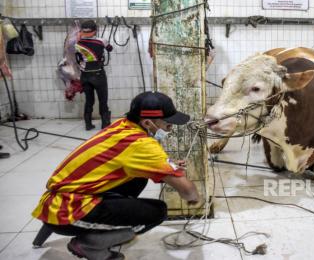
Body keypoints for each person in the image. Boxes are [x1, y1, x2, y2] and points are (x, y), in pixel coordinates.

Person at [31, 91, 200, 260]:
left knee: (139, 177)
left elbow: (130, 160)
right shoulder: (142, 145)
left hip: (59, 199)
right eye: (168, 125)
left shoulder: (122, 126)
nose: (170, 129)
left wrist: (166, 165)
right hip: (66, 212)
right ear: (148, 122)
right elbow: (187, 190)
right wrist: (195, 198)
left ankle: (103, 229)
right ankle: (88, 245)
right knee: (158, 212)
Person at [76, 20, 113, 130]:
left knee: (89, 100)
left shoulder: (77, 43)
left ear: (82, 31)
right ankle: (105, 124)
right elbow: (110, 48)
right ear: (95, 31)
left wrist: (79, 36)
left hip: (85, 75)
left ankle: (88, 124)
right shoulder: (101, 41)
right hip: (98, 74)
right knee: (103, 100)